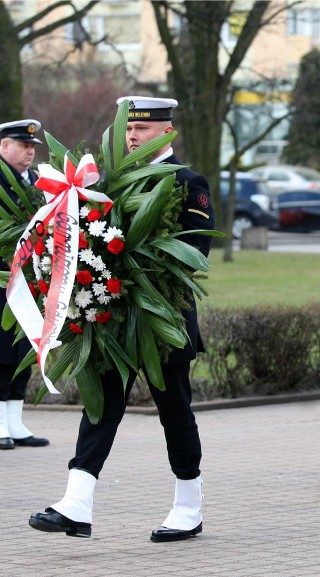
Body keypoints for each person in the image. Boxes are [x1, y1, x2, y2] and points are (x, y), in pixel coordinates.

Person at [29, 96, 214, 541]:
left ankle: (189, 505)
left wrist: (127, 272)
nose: (132, 137)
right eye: (130, 130)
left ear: (167, 132)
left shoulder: (188, 182)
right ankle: (76, 503)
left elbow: (194, 255)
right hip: (110, 315)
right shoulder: (110, 180)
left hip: (161, 321)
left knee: (175, 413)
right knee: (100, 407)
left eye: (143, 130)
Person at [0, 119, 49, 450]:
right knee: (2, 350)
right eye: (22, 145)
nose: (30, 151)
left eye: (32, 146)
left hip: (31, 278)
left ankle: (14, 422)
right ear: (4, 146)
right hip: (3, 277)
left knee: (24, 349)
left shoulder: (36, 180)